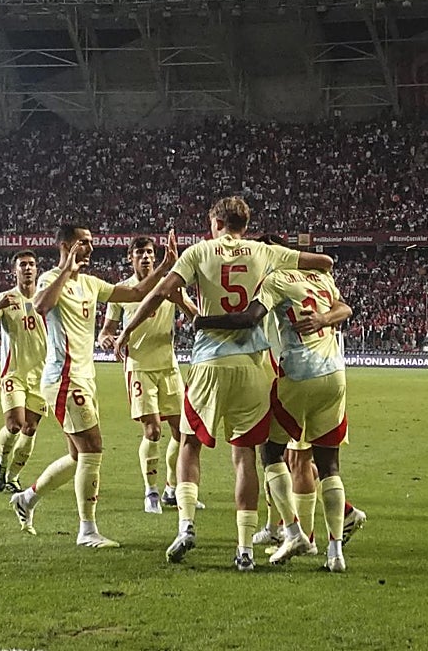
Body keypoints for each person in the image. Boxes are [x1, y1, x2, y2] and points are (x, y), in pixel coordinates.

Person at [116, 196, 333, 571]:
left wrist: (127, 330)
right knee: (245, 454)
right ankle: (245, 549)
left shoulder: (199, 251)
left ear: (214, 222)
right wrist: (279, 253)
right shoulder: (262, 251)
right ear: (245, 225)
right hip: (252, 365)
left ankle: (186, 526)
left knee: (188, 443)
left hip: (208, 363)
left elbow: (160, 292)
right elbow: (325, 263)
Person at [8, 225, 177, 547]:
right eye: (83, 242)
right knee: (93, 448)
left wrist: (165, 265)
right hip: (65, 379)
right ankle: (87, 530)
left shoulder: (91, 283)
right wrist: (65, 271)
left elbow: (138, 293)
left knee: (76, 456)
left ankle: (26, 499)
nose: (90, 247)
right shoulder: (48, 279)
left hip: (86, 377)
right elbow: (41, 307)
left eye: (91, 243)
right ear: (66, 245)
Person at [194, 235, 355, 571]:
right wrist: (325, 320)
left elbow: (249, 318)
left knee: (270, 452)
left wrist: (201, 320)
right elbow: (345, 308)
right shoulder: (319, 278)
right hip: (336, 376)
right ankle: (335, 552)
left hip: (296, 376)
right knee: (329, 465)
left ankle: (293, 531)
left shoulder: (274, 280)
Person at [97, 237, 199, 514]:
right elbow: (106, 330)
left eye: (150, 253)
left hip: (169, 366)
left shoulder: (170, 283)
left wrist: (180, 299)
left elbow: (195, 317)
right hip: (139, 367)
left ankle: (171, 487)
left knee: (183, 431)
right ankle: (150, 491)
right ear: (130, 257)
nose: (146, 257)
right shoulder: (124, 291)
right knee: (153, 430)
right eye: (140, 252)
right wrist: (106, 338)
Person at [0, 250, 47, 494]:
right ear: (14, 270)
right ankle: (1, 463)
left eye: (31, 264)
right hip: (13, 373)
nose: (27, 268)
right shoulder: (5, 298)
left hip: (43, 375)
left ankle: (13, 477)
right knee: (16, 424)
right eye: (22, 265)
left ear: (37, 269)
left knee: (31, 428)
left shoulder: (48, 298)